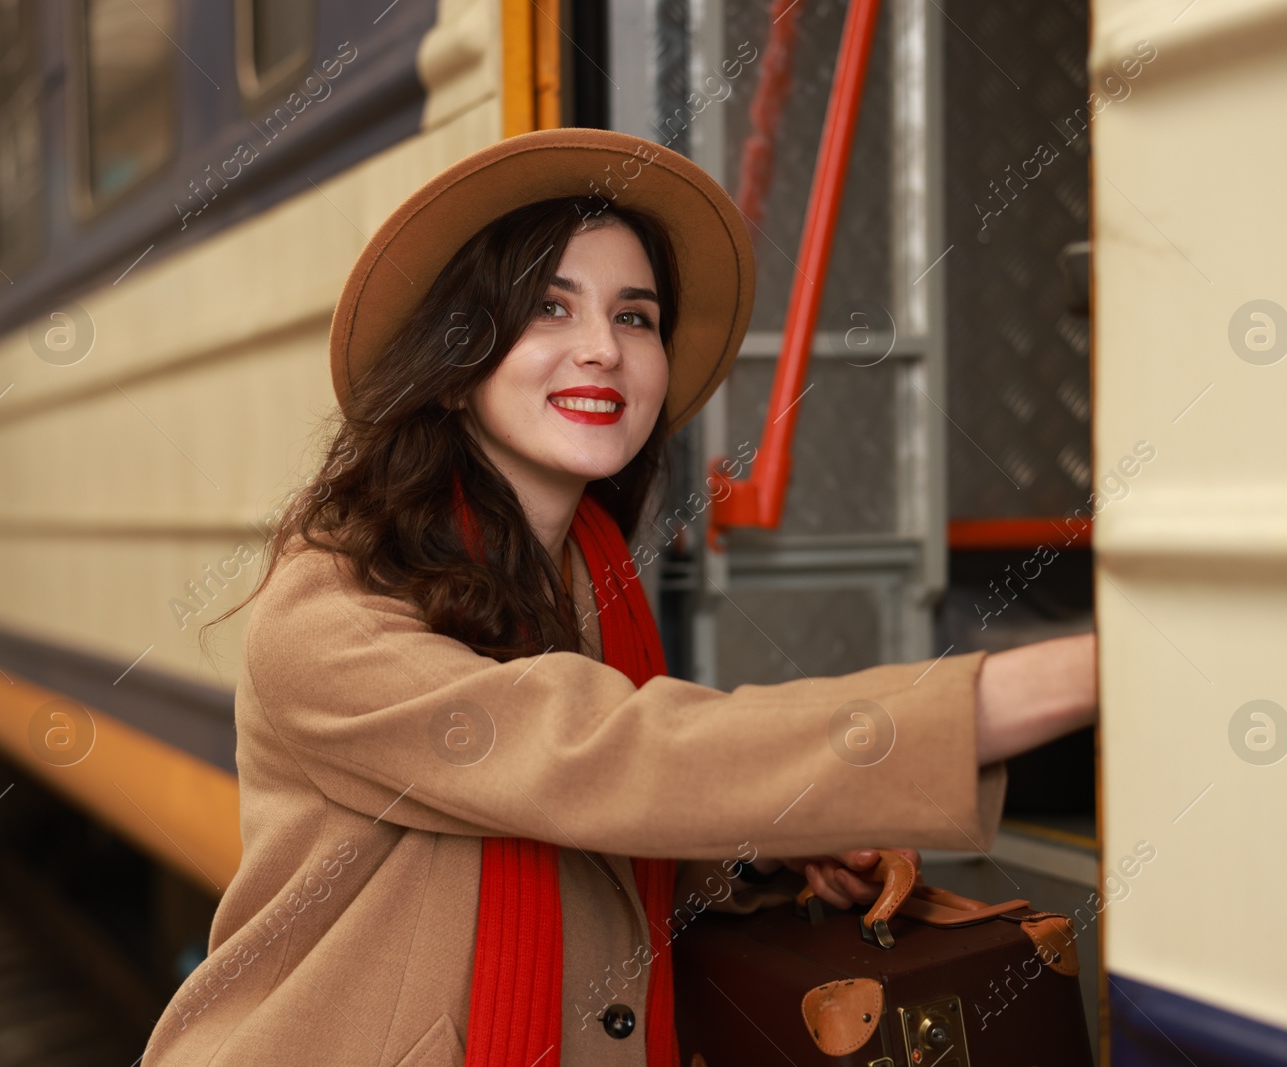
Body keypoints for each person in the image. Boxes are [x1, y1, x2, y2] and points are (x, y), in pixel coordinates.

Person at [141, 129, 1097, 1067]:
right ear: (451, 363)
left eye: (635, 316)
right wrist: (1054, 680)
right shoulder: (330, 607)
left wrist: (762, 850)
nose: (601, 347)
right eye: (549, 309)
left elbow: (592, 836)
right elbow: (602, 757)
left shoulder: (583, 581)